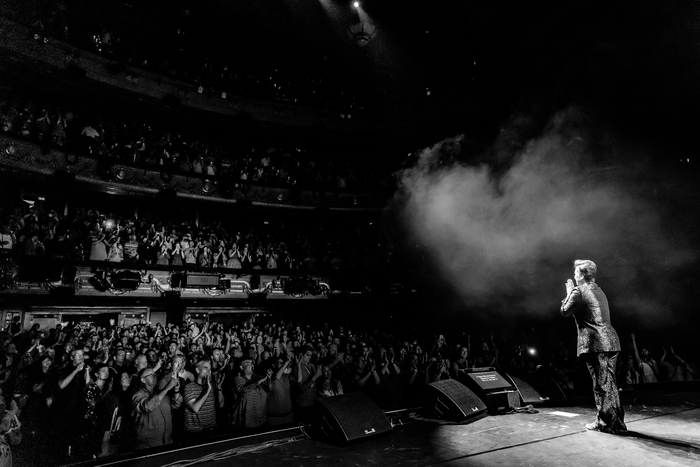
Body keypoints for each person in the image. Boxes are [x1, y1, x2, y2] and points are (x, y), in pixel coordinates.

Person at [561, 259, 627, 434]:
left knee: (601, 385)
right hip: (611, 341)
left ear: (582, 275)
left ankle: (605, 423)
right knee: (610, 384)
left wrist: (568, 293)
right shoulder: (599, 290)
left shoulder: (579, 291)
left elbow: (565, 311)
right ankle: (617, 422)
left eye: (576, 273)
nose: (574, 276)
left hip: (596, 344)